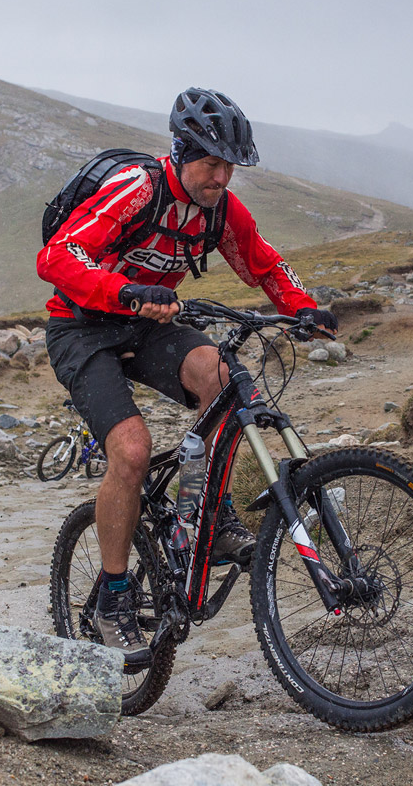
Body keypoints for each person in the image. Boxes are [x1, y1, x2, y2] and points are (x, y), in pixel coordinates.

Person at [36, 87, 337, 665]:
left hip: (146, 324)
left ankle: (205, 512)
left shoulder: (220, 209)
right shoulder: (139, 189)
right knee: (131, 450)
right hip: (81, 328)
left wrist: (301, 308)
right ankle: (114, 598)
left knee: (224, 377)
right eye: (211, 163)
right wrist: (123, 289)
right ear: (181, 151)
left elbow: (263, 262)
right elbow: (58, 255)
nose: (221, 177)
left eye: (230, 166)